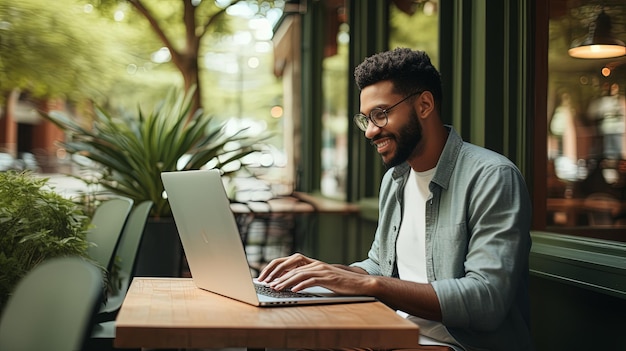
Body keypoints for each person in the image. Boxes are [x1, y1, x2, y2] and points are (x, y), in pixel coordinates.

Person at [258, 48, 533, 351]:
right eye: (366, 119)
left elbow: (486, 300)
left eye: (380, 114)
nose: (371, 131)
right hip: (397, 333)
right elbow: (380, 266)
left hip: (459, 345)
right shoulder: (395, 180)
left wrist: (368, 285)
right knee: (287, 337)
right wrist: (326, 274)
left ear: (425, 105)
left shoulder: (492, 177)